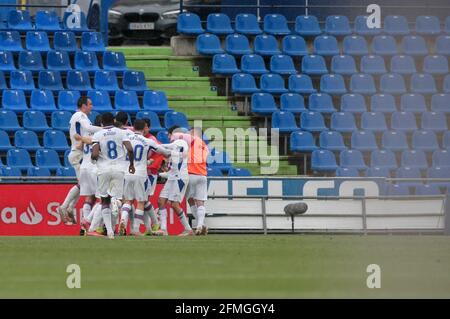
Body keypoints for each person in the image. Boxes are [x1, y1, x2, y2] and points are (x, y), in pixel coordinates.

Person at [119, 119, 170, 236]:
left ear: (133, 128)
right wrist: (171, 152)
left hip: (127, 173)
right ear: (143, 129)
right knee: (141, 202)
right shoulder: (147, 141)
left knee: (128, 200)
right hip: (140, 173)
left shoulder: (126, 139)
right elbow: (163, 152)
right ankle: (136, 229)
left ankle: (123, 220)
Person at [91, 112, 135, 239]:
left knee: (104, 200)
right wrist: (131, 164)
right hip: (119, 169)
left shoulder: (98, 134)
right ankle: (115, 205)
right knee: (117, 198)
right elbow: (130, 149)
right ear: (113, 120)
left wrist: (94, 159)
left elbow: (94, 154)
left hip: (104, 169)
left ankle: (110, 232)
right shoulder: (122, 132)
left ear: (102, 123)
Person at [58, 97, 101, 224]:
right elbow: (88, 128)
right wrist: (106, 129)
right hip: (77, 155)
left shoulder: (80, 116)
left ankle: (69, 207)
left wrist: (82, 140)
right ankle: (64, 206)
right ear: (83, 105)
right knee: (81, 184)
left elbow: (82, 135)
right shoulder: (80, 115)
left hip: (78, 153)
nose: (92, 106)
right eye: (90, 104)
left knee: (82, 184)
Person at [171, 127, 209, 235]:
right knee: (200, 202)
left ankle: (199, 225)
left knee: (191, 200)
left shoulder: (192, 140)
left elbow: (177, 135)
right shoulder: (205, 146)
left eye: (190, 132)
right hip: (202, 175)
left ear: (193, 133)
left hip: (191, 174)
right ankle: (201, 225)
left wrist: (172, 135)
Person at [157, 126, 192, 236]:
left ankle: (188, 229)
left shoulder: (181, 142)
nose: (168, 136)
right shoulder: (176, 147)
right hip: (173, 177)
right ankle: (163, 229)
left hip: (179, 178)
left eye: (170, 134)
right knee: (161, 201)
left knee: (174, 204)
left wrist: (155, 145)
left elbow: (168, 147)